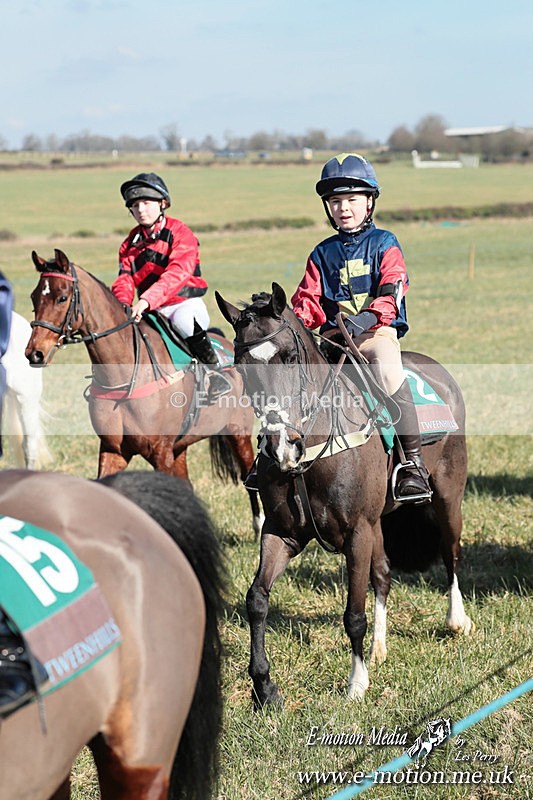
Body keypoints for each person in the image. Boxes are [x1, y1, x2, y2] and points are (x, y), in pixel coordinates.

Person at [291, 153, 432, 502]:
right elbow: (308, 298)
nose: (344, 208)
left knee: (386, 369)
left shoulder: (385, 242)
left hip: (374, 334)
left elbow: (393, 288)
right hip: (334, 341)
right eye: (336, 201)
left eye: (352, 199)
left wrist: (366, 319)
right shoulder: (321, 253)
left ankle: (412, 464)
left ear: (369, 202)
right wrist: (293, 323)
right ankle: (273, 457)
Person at [112, 172, 230, 397]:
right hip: (151, 309)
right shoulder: (129, 243)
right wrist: (123, 306)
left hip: (183, 303)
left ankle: (216, 376)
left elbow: (178, 272)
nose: (140, 210)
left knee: (185, 321)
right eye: (135, 205)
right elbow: (124, 279)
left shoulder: (180, 233)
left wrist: (145, 300)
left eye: (146, 203)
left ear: (162, 203)